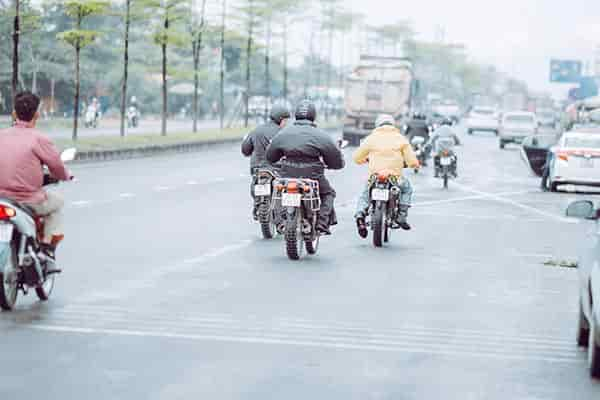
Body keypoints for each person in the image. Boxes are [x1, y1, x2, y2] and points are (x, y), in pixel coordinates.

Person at [0, 92, 72, 259]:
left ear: (13, 114)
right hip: (28, 200)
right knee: (57, 202)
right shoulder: (39, 139)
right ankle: (46, 248)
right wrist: (65, 176)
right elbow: (57, 166)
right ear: (37, 115)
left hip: (2, 198)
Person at [266, 100, 344, 235]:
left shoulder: (283, 133)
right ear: (313, 116)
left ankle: (279, 221)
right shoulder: (321, 135)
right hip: (313, 175)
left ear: (295, 115)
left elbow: (270, 156)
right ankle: (322, 224)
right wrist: (333, 165)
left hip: (287, 174)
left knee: (278, 191)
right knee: (328, 194)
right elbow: (336, 160)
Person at [353, 114, 419, 237]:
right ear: (393, 124)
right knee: (407, 188)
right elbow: (413, 161)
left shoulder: (371, 138)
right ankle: (401, 216)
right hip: (395, 178)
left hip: (375, 177)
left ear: (377, 125)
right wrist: (413, 165)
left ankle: (360, 216)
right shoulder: (400, 139)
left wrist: (364, 160)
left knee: (365, 194)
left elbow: (356, 158)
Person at [241, 105, 291, 218]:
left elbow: (245, 150)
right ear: (280, 119)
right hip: (277, 169)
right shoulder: (285, 133)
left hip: (258, 168)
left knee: (256, 182)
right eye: (285, 120)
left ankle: (257, 204)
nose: (286, 123)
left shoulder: (256, 130)